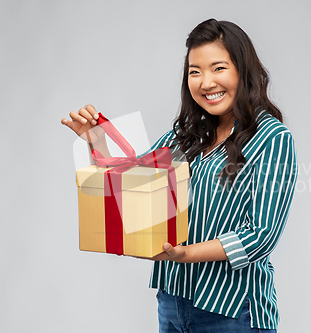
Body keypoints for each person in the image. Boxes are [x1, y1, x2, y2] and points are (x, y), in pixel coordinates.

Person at [62, 18, 297, 333]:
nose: (206, 82)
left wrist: (187, 254)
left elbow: (261, 235)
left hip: (231, 312)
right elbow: (132, 184)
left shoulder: (272, 138)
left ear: (243, 71)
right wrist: (97, 140)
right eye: (195, 71)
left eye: (218, 68)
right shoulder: (184, 136)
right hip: (172, 303)